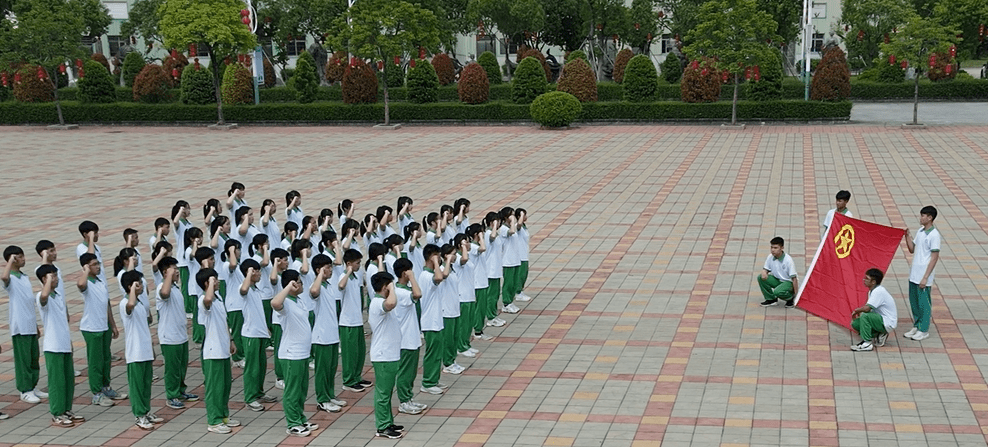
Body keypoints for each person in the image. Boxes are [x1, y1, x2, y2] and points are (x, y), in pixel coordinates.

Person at [272, 270, 319, 437]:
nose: (301, 284)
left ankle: (300, 417)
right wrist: (286, 288)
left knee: (301, 389)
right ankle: (292, 423)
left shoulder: (299, 300)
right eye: (298, 282)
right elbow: (275, 303)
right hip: (291, 353)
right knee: (292, 390)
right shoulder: (285, 303)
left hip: (302, 353)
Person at [36, 265, 82, 427]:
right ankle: (57, 413)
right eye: (52, 276)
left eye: (56, 275)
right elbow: (43, 297)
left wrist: (69, 341)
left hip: (63, 344)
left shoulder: (58, 295)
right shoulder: (42, 296)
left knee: (68, 380)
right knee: (56, 382)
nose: (56, 279)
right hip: (53, 346)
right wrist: (48, 282)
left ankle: (65, 410)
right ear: (44, 279)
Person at [77, 253, 125, 407]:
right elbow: (80, 285)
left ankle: (106, 387)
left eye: (98, 264)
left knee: (105, 359)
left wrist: (113, 325)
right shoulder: (87, 283)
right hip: (92, 328)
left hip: (104, 327)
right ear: (86, 267)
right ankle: (96, 393)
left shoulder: (99, 281)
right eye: (94, 264)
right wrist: (85, 271)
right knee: (95, 362)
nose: (98, 267)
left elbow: (107, 304)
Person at [197, 268, 240, 434]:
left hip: (223, 349)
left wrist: (231, 340)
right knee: (214, 387)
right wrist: (210, 285)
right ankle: (213, 421)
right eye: (214, 279)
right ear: (207, 283)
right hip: (212, 351)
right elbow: (207, 298)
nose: (218, 281)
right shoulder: (204, 300)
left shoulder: (219, 298)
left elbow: (224, 322)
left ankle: (223, 416)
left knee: (224, 385)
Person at [119, 270, 164, 430]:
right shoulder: (125, 303)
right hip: (135, 353)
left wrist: (151, 348)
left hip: (144, 350)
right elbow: (129, 306)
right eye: (139, 283)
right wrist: (132, 289)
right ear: (131, 286)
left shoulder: (139, 303)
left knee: (146, 384)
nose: (142, 285)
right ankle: (139, 415)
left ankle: (145, 411)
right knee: (137, 386)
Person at [2, 245, 45, 404]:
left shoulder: (24, 276)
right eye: (19, 256)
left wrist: (35, 325)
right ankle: (24, 390)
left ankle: (33, 386)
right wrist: (9, 262)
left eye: (22, 255)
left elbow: (29, 302)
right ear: (11, 259)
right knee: (24, 360)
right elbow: (4, 278)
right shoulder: (10, 278)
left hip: (30, 323)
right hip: (19, 326)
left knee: (33, 358)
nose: (23, 259)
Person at [155, 256, 197, 410]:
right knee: (172, 369)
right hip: (169, 336)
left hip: (181, 335)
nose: (178, 272)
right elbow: (165, 294)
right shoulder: (162, 288)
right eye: (174, 269)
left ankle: (180, 390)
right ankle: (171, 395)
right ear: (165, 272)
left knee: (181, 366)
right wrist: (168, 275)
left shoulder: (175, 288)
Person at [368, 271, 404, 439]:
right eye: (390, 285)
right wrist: (391, 288)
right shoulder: (377, 303)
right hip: (383, 355)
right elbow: (391, 304)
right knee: (383, 393)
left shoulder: (380, 302)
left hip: (390, 354)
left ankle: (388, 421)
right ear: (385, 287)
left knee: (387, 392)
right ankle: (382, 426)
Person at [309, 254, 347, 413]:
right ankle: (322, 399)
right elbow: (314, 291)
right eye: (327, 267)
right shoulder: (316, 286)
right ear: (319, 270)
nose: (331, 270)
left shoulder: (329, 285)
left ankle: (330, 394)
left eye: (331, 267)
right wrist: (319, 275)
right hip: (321, 336)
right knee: (322, 370)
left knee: (331, 368)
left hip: (332, 334)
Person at [238, 259, 277, 412]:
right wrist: (248, 273)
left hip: (260, 333)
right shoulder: (243, 288)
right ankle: (250, 397)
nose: (260, 274)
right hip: (250, 335)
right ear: (251, 272)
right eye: (257, 271)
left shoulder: (255, 289)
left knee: (261, 366)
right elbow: (243, 290)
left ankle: (259, 392)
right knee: (252, 368)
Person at [392, 258, 427, 415]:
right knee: (405, 372)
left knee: (411, 371)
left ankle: (408, 398)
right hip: (405, 339)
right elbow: (418, 293)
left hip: (411, 337)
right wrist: (412, 278)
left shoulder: (401, 290)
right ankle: (403, 401)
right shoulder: (401, 292)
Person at [903, 205, 942, 341]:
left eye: (923, 216)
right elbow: (912, 249)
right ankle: (917, 325)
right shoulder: (920, 231)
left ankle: (924, 329)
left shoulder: (934, 235)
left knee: (924, 303)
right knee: (914, 301)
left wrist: (926, 277)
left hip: (924, 274)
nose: (921, 218)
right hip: (914, 273)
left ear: (930, 218)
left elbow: (934, 257)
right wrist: (907, 236)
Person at [338, 248, 372, 392]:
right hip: (347, 322)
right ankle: (348, 380)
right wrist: (349, 271)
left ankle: (357, 376)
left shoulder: (356, 277)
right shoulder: (343, 276)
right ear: (349, 263)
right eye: (357, 263)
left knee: (359, 351)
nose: (359, 266)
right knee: (349, 353)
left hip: (357, 320)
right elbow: (340, 286)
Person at [418, 244, 448, 395]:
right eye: (438, 255)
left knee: (438, 353)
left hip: (436, 319)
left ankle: (434, 379)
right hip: (430, 321)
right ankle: (427, 382)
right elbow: (439, 277)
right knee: (432, 353)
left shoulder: (430, 274)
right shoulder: (426, 276)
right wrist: (436, 262)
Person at [851, 268, 898, 351]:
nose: (864, 280)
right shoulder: (872, 291)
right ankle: (879, 334)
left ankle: (867, 343)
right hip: (880, 319)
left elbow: (867, 309)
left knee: (865, 316)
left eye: (867, 279)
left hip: (887, 321)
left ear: (873, 282)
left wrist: (856, 311)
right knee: (856, 324)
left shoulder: (878, 292)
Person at [757, 237, 799, 308]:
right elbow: (766, 269)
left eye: (775, 248)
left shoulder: (788, 260)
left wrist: (797, 294)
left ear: (782, 248)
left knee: (777, 292)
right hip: (777, 280)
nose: (773, 250)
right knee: (760, 277)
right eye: (772, 247)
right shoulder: (770, 257)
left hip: (788, 282)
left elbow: (794, 278)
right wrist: (764, 273)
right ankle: (771, 299)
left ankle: (790, 299)